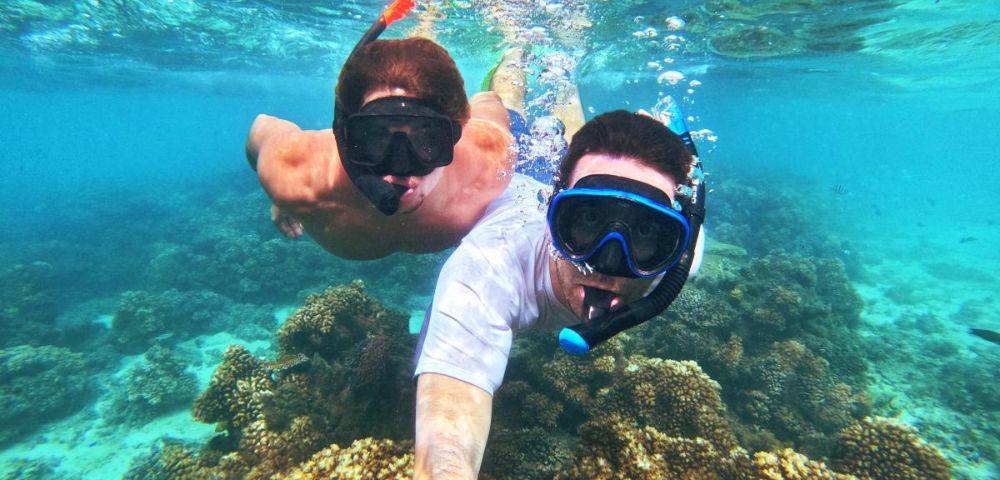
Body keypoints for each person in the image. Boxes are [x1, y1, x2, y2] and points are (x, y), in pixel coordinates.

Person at [412, 110, 707, 479]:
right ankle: (515, 61)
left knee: (566, 112)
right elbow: (446, 446)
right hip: (509, 165)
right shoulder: (490, 263)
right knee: (509, 116)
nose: (608, 260)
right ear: (549, 212)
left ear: (674, 240)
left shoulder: (679, 261)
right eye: (586, 220)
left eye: (646, 231)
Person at [245, 36, 515, 260]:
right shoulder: (292, 171)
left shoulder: (493, 158)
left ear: (455, 135)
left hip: (482, 125)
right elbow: (261, 128)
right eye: (374, 138)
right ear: (345, 135)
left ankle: (512, 57)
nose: (400, 169)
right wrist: (276, 195)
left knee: (497, 99)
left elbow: (494, 111)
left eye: (426, 140)